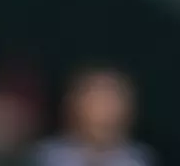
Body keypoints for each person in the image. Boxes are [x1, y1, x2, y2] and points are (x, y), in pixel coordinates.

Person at [24, 66, 157, 166]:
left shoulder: (138, 160)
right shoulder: (46, 157)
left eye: (111, 99)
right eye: (96, 98)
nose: (105, 109)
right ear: (72, 104)